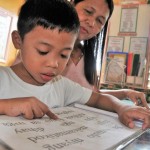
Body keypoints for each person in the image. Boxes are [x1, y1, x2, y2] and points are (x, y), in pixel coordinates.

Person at [4, 0, 150, 130]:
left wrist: (122, 106)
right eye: (43, 51)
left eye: (64, 55)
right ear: (18, 41)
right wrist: (5, 105)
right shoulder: (5, 76)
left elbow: (97, 97)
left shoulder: (62, 85)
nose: (54, 64)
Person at [61, 0, 149, 108]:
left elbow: (93, 96)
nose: (92, 23)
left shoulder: (86, 57)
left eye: (99, 20)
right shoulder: (45, 50)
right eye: (88, 11)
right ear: (71, 5)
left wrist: (126, 93)